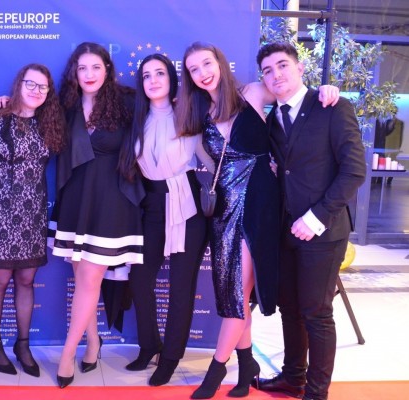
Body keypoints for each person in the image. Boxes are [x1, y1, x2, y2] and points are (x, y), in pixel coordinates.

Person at [177, 41, 339, 399]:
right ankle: (247, 362)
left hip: (258, 205)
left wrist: (327, 89)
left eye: (207, 63)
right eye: (194, 69)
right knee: (233, 293)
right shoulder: (200, 112)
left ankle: (215, 371)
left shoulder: (251, 92)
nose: (203, 73)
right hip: (223, 211)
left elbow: (293, 91)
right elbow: (207, 164)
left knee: (237, 293)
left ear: (220, 63)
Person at [255, 42, 366, 400]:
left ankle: (317, 393)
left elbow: (354, 171)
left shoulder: (332, 106)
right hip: (284, 229)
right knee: (290, 309)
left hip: (323, 229)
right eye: (267, 71)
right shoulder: (270, 120)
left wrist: (317, 217)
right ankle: (293, 378)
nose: (276, 75)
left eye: (282, 65)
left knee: (316, 313)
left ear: (300, 68)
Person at [0, 63, 65, 378]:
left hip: (33, 215)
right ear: (19, 84)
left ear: (49, 92)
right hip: (1, 215)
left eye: (42, 86)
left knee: (27, 281)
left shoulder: (50, 122)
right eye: (30, 83)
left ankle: (23, 345)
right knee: (0, 282)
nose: (36, 90)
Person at [51, 42, 144, 388]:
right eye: (82, 68)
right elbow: (28, 111)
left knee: (89, 280)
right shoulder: (66, 105)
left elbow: (167, 112)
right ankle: (93, 342)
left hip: (111, 202)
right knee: (83, 282)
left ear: (107, 69)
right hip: (75, 200)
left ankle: (66, 355)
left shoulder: (127, 102)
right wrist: (4, 102)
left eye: (95, 67)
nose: (89, 74)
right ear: (74, 73)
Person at [118, 53, 211, 386]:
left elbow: (210, 158)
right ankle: (149, 346)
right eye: (146, 75)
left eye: (160, 73)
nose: (153, 80)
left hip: (187, 203)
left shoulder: (191, 113)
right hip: (152, 204)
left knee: (181, 286)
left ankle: (171, 358)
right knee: (140, 280)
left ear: (173, 79)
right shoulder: (136, 118)